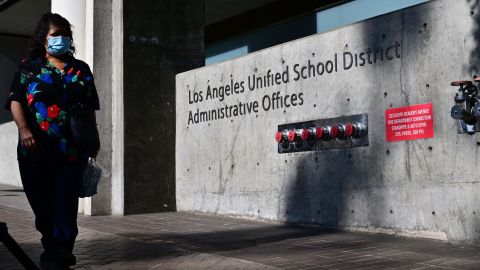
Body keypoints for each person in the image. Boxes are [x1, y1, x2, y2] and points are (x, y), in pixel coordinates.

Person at [4, 12, 100, 268]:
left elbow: (90, 106)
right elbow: (15, 101)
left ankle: (62, 251)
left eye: (65, 35)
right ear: (43, 39)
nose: (62, 39)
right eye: (55, 35)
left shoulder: (81, 69)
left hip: (72, 150)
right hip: (35, 149)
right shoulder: (29, 67)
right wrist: (24, 129)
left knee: (66, 204)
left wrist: (94, 140)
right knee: (42, 203)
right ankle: (51, 245)